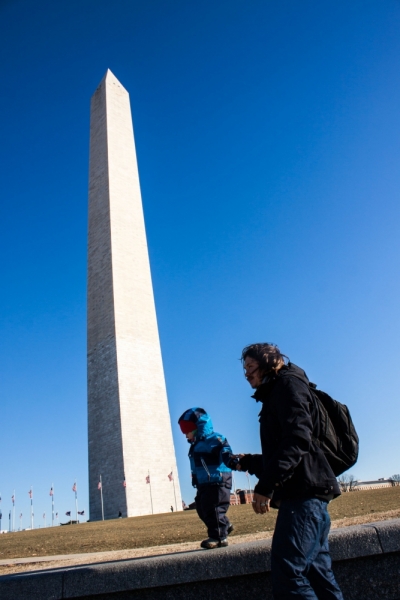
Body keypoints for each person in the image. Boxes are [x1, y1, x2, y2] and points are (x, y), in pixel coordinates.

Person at [236, 343, 343, 600]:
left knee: (288, 574)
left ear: (269, 364)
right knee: (319, 578)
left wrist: (265, 487)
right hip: (309, 495)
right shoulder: (280, 390)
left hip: (303, 497)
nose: (246, 373)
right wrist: (248, 462)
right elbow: (288, 451)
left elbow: (297, 441)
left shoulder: (287, 387)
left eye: (250, 367)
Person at [178, 407, 234, 549]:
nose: (185, 436)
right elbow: (195, 466)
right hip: (204, 482)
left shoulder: (214, 439)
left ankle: (219, 537)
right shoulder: (195, 446)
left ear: (197, 428)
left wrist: (231, 460)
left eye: (187, 431)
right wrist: (195, 478)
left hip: (218, 480)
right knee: (202, 508)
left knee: (213, 508)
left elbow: (225, 451)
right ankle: (225, 525)